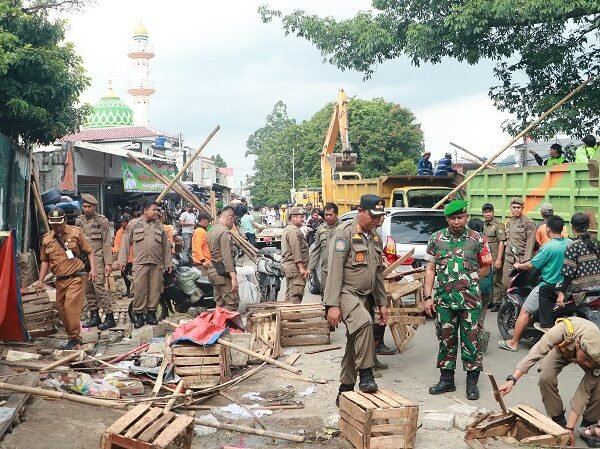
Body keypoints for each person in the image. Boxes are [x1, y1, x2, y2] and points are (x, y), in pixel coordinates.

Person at [424, 199, 493, 400]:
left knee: (472, 341)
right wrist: (428, 296)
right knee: (446, 340)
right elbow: (430, 268)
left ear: (467, 217)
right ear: (447, 219)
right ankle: (447, 380)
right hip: (444, 301)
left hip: (470, 302)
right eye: (453, 218)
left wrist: (467, 281)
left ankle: (472, 383)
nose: (456, 222)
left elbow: (485, 267)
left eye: (460, 217)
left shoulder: (478, 239)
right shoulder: (436, 239)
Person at [324, 194, 390, 405]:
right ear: (361, 212)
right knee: (364, 323)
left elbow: (378, 273)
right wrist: (332, 305)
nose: (377, 221)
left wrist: (382, 302)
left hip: (366, 296)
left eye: (380, 217)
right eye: (374, 216)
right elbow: (334, 270)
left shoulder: (375, 238)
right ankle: (366, 373)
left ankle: (344, 389)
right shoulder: (344, 233)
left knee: (355, 341)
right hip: (345, 292)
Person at [498, 317, 600, 447]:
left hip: (591, 357)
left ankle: (589, 425)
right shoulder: (562, 331)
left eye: (590, 362)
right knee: (546, 376)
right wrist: (512, 380)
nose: (587, 364)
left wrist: (570, 429)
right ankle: (558, 420)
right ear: (579, 344)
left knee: (597, 387)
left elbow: (583, 391)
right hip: (563, 350)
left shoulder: (596, 356)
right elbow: (536, 352)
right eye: (585, 359)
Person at [498, 215, 570, 351]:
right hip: (565, 287)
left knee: (525, 311)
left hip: (548, 285)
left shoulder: (549, 247)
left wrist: (519, 266)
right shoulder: (569, 243)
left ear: (548, 229)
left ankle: (513, 343)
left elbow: (531, 265)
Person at [37, 208, 96, 349]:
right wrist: (40, 281)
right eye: (53, 224)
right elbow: (45, 261)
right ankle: (72, 337)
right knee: (61, 309)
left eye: (59, 223)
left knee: (71, 308)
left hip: (76, 277)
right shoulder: (47, 239)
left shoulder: (76, 233)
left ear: (65, 221)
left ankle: (74, 337)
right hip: (60, 280)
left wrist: (93, 269)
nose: (56, 226)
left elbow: (89, 251)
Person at [116, 200, 173, 328]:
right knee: (139, 289)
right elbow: (125, 242)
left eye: (158, 210)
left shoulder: (159, 226)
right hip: (140, 263)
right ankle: (139, 315)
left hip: (156, 264)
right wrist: (122, 261)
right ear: (145, 210)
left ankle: (152, 314)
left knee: (155, 289)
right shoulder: (134, 224)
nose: (157, 212)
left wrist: (168, 262)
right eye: (154, 210)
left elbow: (166, 246)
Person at [75, 194, 115, 330]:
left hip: (98, 258)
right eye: (84, 206)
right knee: (88, 289)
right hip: (83, 259)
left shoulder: (102, 221)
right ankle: (94, 316)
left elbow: (106, 243)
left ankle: (110, 317)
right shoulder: (79, 221)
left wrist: (108, 263)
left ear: (94, 207)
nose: (86, 209)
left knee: (99, 288)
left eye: (89, 207)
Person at [556, 212, 600, 311]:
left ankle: (548, 323)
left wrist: (562, 293)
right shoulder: (595, 243)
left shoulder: (573, 246)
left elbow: (568, 273)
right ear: (588, 226)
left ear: (572, 227)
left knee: (545, 290)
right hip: (597, 289)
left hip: (581, 292)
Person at [467, 217, 493, 353]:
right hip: (487, 284)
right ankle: (480, 334)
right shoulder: (486, 240)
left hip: (474, 284)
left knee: (471, 315)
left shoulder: (471, 241)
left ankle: (475, 339)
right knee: (481, 313)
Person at [207, 206, 240, 311]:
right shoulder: (224, 232)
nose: (233, 223)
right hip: (222, 272)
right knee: (232, 303)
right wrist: (233, 277)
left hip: (213, 271)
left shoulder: (211, 230)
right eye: (234, 220)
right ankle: (229, 327)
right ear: (230, 217)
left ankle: (220, 326)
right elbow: (227, 257)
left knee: (220, 304)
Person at [503, 196, 536, 288]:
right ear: (510, 208)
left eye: (518, 208)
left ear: (522, 208)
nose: (516, 210)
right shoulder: (508, 221)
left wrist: (525, 261)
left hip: (521, 259)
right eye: (514, 208)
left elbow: (530, 243)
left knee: (520, 286)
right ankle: (506, 302)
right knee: (506, 284)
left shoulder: (528, 223)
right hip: (509, 259)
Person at [308, 202, 339, 297]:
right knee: (325, 296)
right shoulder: (321, 230)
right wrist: (311, 268)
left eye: (330, 215)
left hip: (340, 269)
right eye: (326, 215)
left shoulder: (344, 228)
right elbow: (316, 250)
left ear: (336, 214)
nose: (328, 217)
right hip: (325, 270)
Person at [281, 207, 310, 304]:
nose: (303, 219)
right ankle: (293, 317)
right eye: (301, 217)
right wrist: (301, 268)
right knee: (296, 293)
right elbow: (296, 250)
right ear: (293, 217)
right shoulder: (293, 231)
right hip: (295, 268)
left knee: (291, 293)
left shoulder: (289, 229)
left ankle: (288, 315)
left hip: (291, 268)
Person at [482, 203, 506, 312]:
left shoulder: (498, 225)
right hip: (486, 257)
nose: (488, 214)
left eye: (489, 211)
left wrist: (499, 259)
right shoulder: (483, 225)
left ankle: (497, 302)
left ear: (493, 212)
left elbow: (501, 242)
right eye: (485, 212)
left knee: (497, 279)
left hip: (496, 256)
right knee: (488, 279)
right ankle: (490, 301)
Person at [112, 215, 133, 298]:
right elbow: (117, 244)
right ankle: (128, 290)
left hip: (132, 257)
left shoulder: (132, 231)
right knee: (124, 275)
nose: (122, 223)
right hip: (123, 257)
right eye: (121, 222)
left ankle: (133, 291)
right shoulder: (119, 232)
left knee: (132, 275)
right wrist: (115, 254)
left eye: (124, 222)